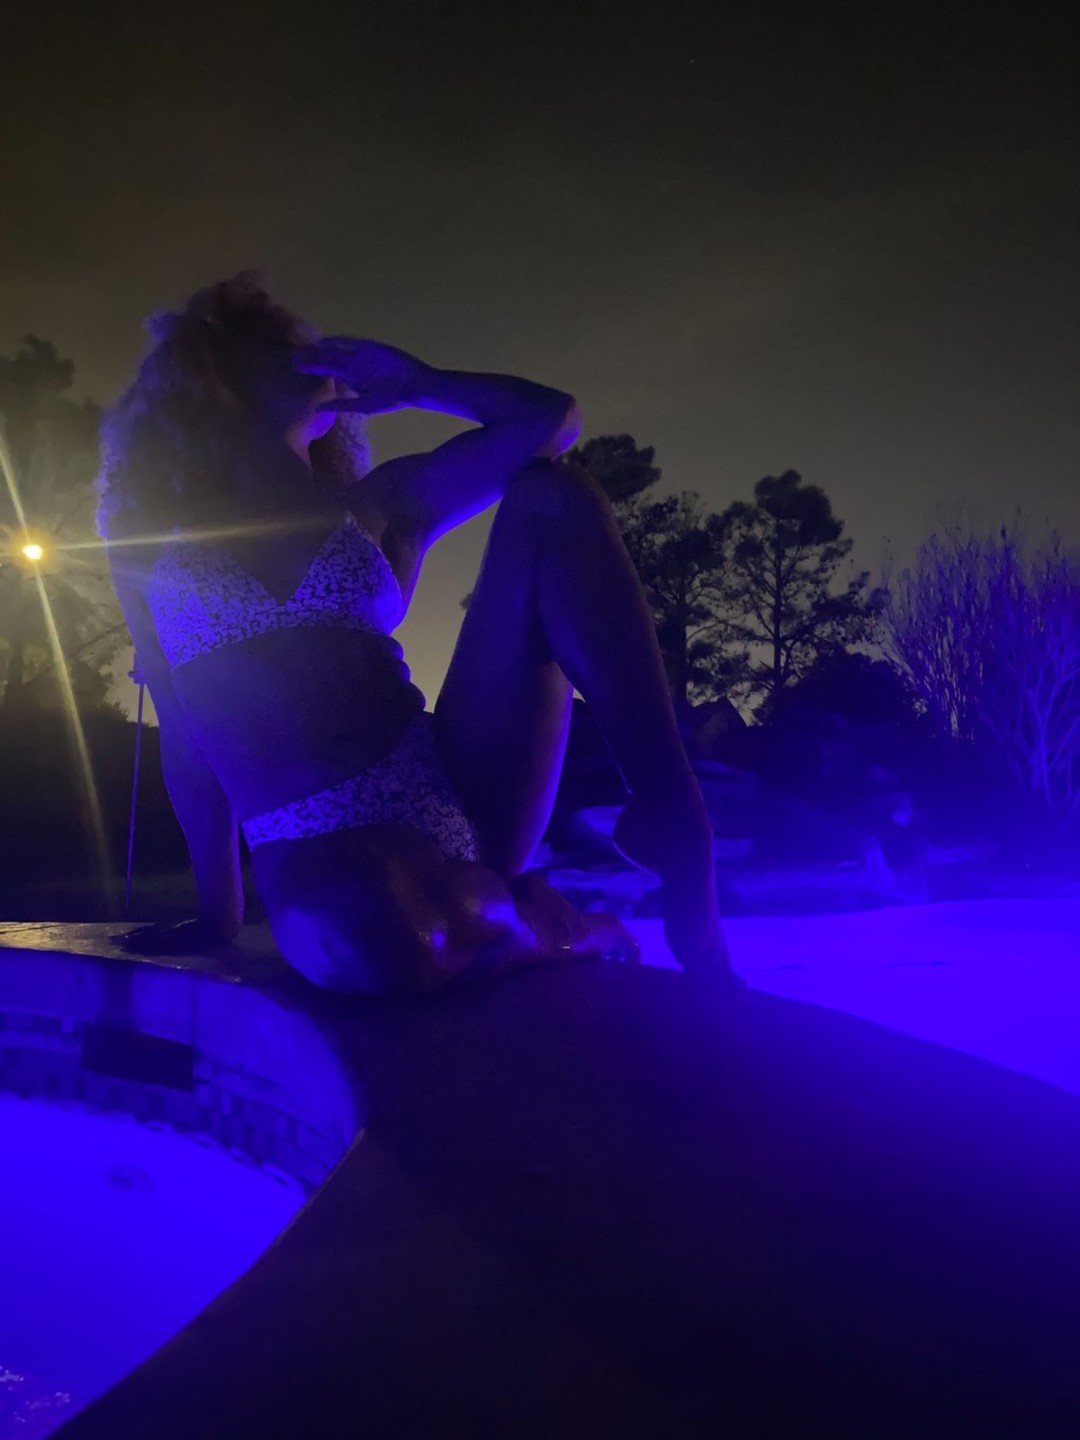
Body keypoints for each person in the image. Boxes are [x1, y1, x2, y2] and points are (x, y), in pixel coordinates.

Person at [98, 272, 738, 996]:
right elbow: (185, 742)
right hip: (312, 853)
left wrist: (419, 383)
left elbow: (548, 422)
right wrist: (220, 916)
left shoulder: (378, 504)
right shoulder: (153, 546)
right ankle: (553, 928)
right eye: (272, 341)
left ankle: (670, 810)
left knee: (554, 496)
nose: (306, 350)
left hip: (458, 800)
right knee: (372, 931)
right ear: (213, 375)